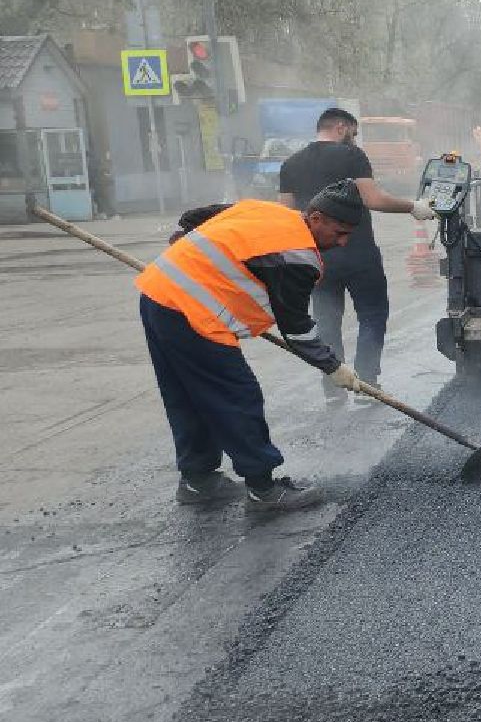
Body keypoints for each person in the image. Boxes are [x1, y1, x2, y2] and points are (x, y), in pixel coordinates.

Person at [136, 184, 370, 512]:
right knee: (236, 396)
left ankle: (198, 480)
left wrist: (184, 236)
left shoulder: (266, 211)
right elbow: (296, 329)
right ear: (316, 218)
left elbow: (198, 216)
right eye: (340, 232)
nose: (343, 242)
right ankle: (263, 490)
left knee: (186, 395)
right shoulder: (299, 255)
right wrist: (334, 367)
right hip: (192, 315)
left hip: (156, 294)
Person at [278, 108, 435, 405]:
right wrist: (412, 207)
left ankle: (333, 388)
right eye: (353, 130)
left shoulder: (290, 164)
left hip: (316, 257)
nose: (355, 137)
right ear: (340, 127)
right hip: (358, 253)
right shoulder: (352, 156)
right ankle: (366, 386)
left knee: (326, 320)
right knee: (373, 315)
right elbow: (372, 198)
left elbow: (285, 214)